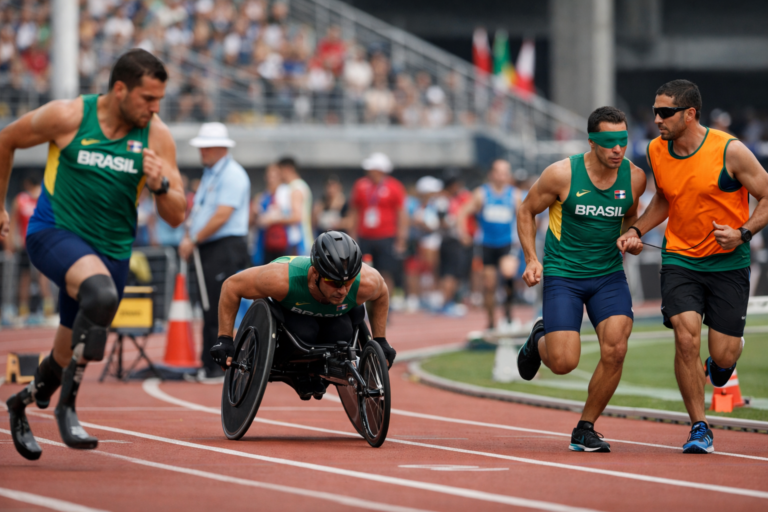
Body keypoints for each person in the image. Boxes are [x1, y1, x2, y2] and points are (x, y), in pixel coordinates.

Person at [1, 49, 187, 460]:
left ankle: (21, 403)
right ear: (120, 89)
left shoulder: (156, 136)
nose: (155, 109)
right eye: (147, 99)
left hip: (112, 251)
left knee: (67, 351)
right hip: (55, 232)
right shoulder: (69, 116)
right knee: (100, 295)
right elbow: (7, 139)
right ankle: (67, 408)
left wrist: (159, 186)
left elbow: (176, 216)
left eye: (160, 100)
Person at [617, 80, 768, 454]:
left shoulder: (730, 151)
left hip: (728, 262)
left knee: (724, 355)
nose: (656, 119)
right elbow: (665, 199)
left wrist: (743, 232)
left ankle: (721, 364)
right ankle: (699, 427)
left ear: (690, 114)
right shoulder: (655, 149)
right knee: (685, 337)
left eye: (665, 112)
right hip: (680, 258)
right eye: (655, 111)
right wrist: (636, 229)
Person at [517, 106, 646, 452]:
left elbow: (630, 218)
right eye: (609, 142)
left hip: (608, 275)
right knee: (563, 363)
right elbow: (526, 210)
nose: (618, 149)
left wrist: (631, 237)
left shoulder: (634, 177)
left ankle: (585, 427)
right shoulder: (561, 175)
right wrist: (531, 259)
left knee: (616, 348)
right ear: (592, 142)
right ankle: (538, 337)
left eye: (623, 141)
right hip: (564, 274)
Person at [211, 231, 396, 398]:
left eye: (349, 282)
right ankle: (298, 376)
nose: (342, 290)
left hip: (335, 318)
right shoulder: (281, 278)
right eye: (334, 282)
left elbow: (381, 294)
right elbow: (231, 286)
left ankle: (319, 374)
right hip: (291, 317)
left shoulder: (367, 282)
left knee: (343, 333)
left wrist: (380, 340)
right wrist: (225, 338)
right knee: (306, 331)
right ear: (315, 272)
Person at [179, 122, 251, 382]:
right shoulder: (213, 173)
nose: (202, 152)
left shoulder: (232, 174)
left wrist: (194, 237)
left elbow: (222, 215)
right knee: (210, 306)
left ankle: (217, 366)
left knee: (220, 305)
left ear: (221, 148)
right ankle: (209, 363)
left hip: (225, 246)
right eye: (201, 147)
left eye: (207, 147)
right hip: (211, 246)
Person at [458, 160, 522, 331]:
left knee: (508, 275)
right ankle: (492, 321)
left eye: (505, 172)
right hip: (486, 244)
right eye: (499, 172)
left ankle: (508, 314)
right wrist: (463, 233)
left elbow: (526, 217)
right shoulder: (482, 193)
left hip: (507, 243)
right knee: (489, 285)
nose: (502, 176)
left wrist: (524, 236)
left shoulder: (514, 195)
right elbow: (463, 212)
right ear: (492, 174)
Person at [349, 152, 408, 296]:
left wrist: (401, 238)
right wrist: (351, 236)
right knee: (361, 272)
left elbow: (401, 213)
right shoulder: (361, 185)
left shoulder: (394, 186)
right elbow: (354, 211)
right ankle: (363, 306)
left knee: (386, 273)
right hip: (365, 237)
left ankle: (385, 306)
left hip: (387, 236)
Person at [6, 173, 53, 323]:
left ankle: (48, 312)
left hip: (42, 244)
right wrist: (10, 244)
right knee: (24, 278)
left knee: (43, 278)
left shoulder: (44, 198)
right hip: (25, 246)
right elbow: (13, 222)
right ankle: (23, 311)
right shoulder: (20, 200)